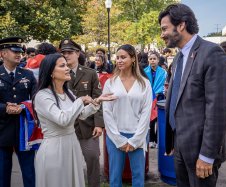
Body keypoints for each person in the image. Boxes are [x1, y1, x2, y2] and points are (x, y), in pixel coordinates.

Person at [159, 4, 226, 187]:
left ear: (181, 25)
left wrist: (207, 156)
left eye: (165, 28)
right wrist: (173, 140)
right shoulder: (177, 59)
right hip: (180, 147)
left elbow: (218, 110)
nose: (162, 34)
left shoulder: (212, 53)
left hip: (201, 153)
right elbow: (177, 100)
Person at [33, 53, 116, 187]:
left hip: (71, 145)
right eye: (62, 66)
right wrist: (80, 100)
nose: (67, 68)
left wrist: (96, 101)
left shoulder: (67, 93)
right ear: (51, 73)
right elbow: (63, 119)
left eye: (66, 65)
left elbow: (81, 114)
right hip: (55, 150)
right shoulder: (42, 96)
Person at [103, 44, 152, 187]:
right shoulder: (110, 83)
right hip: (114, 135)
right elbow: (107, 112)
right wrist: (118, 139)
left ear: (133, 59)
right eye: (117, 57)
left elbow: (146, 112)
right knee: (115, 177)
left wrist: (135, 140)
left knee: (138, 176)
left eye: (123, 57)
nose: (119, 60)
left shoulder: (144, 84)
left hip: (138, 135)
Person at [59, 38, 104, 187]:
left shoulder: (90, 73)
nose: (66, 55)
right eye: (63, 52)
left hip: (87, 126)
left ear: (78, 53)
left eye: (70, 52)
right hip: (66, 126)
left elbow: (98, 99)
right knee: (68, 163)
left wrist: (99, 124)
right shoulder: (57, 74)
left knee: (92, 159)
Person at [0, 37, 37, 187]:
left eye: (20, 51)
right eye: (14, 51)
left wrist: (22, 107)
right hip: (2, 130)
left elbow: (36, 97)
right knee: (2, 174)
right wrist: (5, 108)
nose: (18, 54)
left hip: (24, 130)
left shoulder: (28, 75)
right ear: (3, 53)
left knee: (29, 173)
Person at [144, 51, 167, 148]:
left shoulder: (163, 72)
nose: (152, 61)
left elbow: (164, 84)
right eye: (150, 59)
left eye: (154, 59)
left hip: (160, 97)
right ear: (148, 60)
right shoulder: (144, 71)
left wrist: (158, 93)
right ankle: (151, 140)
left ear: (158, 60)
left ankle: (158, 140)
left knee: (159, 119)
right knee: (150, 120)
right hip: (148, 97)